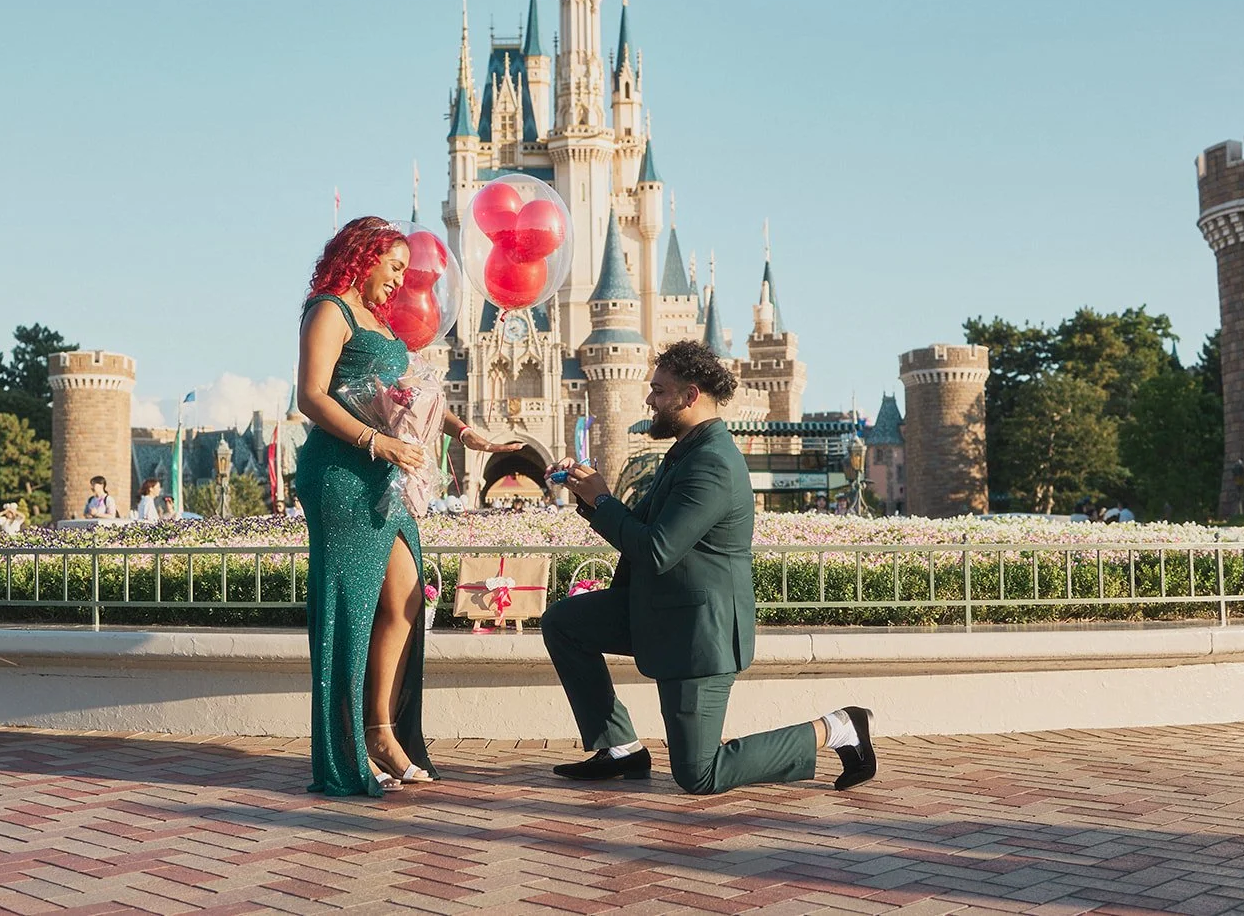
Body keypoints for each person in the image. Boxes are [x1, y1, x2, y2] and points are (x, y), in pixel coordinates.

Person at [542, 340, 877, 796]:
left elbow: (658, 549)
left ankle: (839, 728)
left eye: (658, 391)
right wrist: (589, 495)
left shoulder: (713, 463)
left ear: (690, 395)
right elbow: (641, 526)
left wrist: (602, 500)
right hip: (659, 611)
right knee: (565, 623)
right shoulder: (687, 452)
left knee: (698, 774)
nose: (648, 400)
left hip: (699, 631)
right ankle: (619, 747)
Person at [295, 216, 520, 796]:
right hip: (343, 474)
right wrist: (375, 441)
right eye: (394, 267)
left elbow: (405, 399)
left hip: (388, 475)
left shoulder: (379, 322)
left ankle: (380, 730)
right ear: (363, 257)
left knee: (406, 598)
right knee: (352, 607)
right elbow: (311, 396)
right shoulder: (329, 310)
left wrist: (463, 432)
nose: (401, 280)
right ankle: (348, 745)